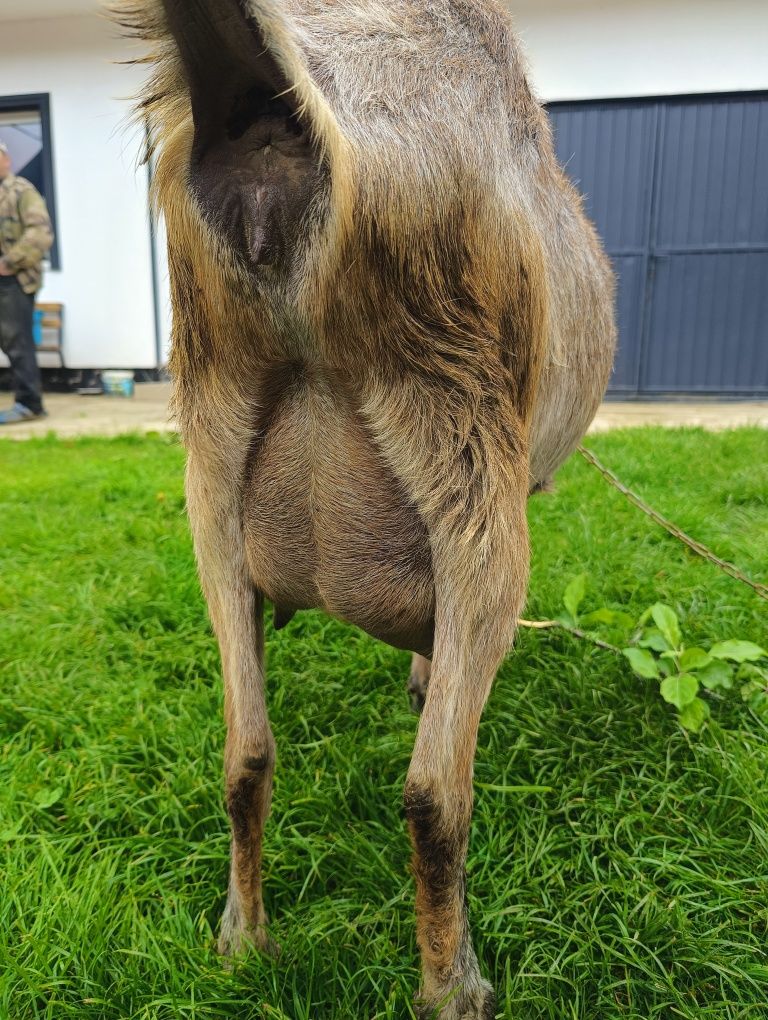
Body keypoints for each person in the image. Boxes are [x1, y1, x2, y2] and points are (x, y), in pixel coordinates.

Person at [0, 140, 54, 424]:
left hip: (14, 281)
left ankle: (29, 404)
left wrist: (9, 262)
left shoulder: (22, 191)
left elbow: (40, 232)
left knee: (18, 343)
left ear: (6, 160)